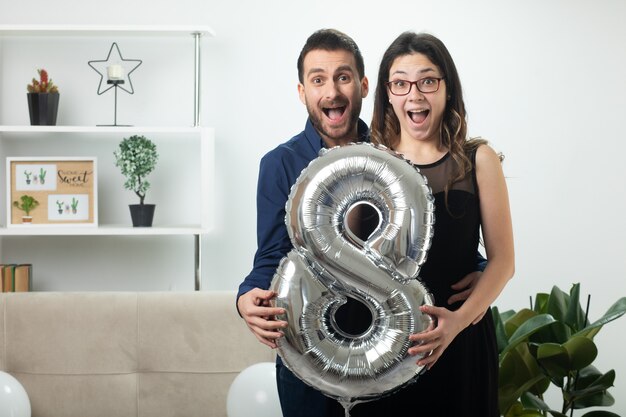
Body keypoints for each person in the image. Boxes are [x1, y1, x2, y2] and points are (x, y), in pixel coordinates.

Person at [236, 29, 488, 417]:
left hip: (384, 356)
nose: (332, 92)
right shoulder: (279, 164)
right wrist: (245, 298)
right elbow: (271, 256)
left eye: (343, 77)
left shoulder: (393, 155)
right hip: (310, 355)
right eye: (318, 80)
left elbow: (434, 235)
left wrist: (482, 272)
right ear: (302, 91)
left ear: (364, 85)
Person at [365, 31, 515, 415]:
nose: (414, 94)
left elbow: (503, 262)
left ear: (448, 88)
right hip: (384, 346)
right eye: (400, 83)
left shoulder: (478, 158)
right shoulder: (366, 163)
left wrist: (456, 324)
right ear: (388, 93)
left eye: (428, 80)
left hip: (462, 344)